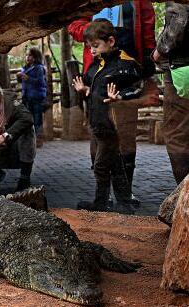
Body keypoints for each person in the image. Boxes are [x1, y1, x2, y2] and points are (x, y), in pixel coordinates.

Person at [68, 0, 158, 206]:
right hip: (98, 66)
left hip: (126, 67)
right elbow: (73, 23)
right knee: (99, 131)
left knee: (125, 133)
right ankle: (105, 194)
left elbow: (147, 26)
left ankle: (125, 193)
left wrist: (147, 64)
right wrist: (92, 34)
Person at [72, 19, 143, 212]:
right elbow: (92, 89)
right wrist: (84, 88)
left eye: (95, 46)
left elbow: (139, 87)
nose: (92, 51)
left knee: (101, 166)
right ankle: (124, 202)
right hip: (98, 125)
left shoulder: (125, 64)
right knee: (116, 164)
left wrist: (120, 96)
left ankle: (101, 202)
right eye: (89, 47)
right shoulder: (95, 67)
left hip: (113, 126)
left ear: (111, 41)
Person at [152, 2, 189, 184]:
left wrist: (160, 50)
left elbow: (179, 20)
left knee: (178, 134)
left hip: (182, 68)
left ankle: (184, 196)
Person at [16, 47, 47, 148]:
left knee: (37, 119)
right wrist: (19, 77)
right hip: (27, 97)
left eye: (30, 55)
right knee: (27, 118)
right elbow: (21, 82)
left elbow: (41, 82)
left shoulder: (39, 68)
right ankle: (29, 139)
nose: (27, 57)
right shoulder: (25, 68)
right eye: (27, 55)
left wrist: (27, 78)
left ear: (35, 57)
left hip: (37, 97)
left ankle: (38, 140)